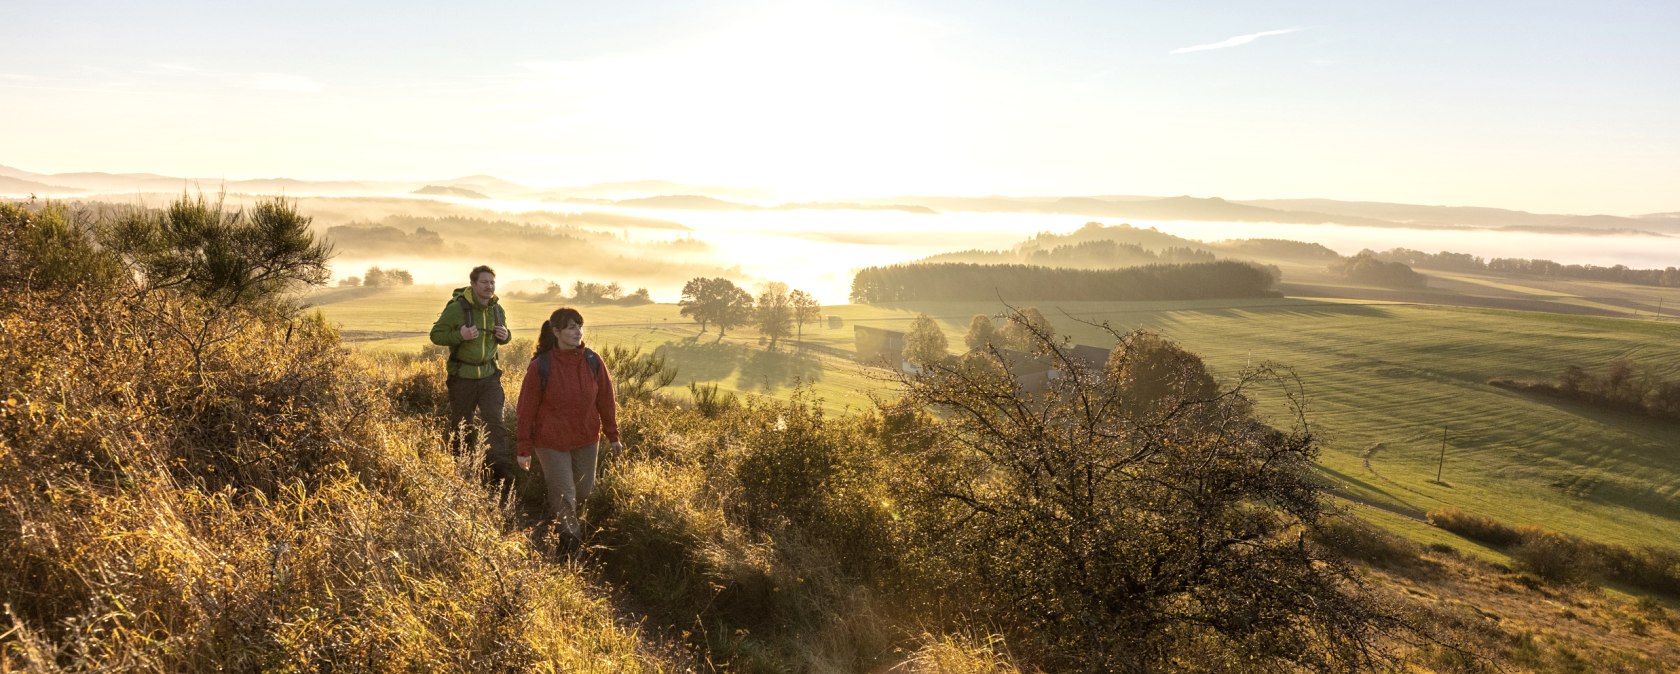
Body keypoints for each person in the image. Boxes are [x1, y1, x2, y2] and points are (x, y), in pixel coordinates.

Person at [515, 306, 623, 549]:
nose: (578, 331)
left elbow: (606, 399)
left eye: (579, 326)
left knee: (584, 491)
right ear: (556, 331)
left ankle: (556, 517)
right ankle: (569, 548)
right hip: (551, 442)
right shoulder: (540, 366)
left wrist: (613, 435)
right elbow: (526, 410)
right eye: (571, 327)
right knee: (565, 495)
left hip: (586, 438)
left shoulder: (593, 361)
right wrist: (524, 447)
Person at [429, 265, 515, 492]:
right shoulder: (457, 309)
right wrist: (460, 335)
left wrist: (506, 336)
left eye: (492, 283)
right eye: (485, 282)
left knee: (495, 422)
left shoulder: (497, 309)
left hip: (489, 377)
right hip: (462, 378)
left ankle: (501, 474)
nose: (489, 286)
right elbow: (436, 335)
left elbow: (505, 335)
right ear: (474, 284)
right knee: (462, 425)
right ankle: (462, 470)